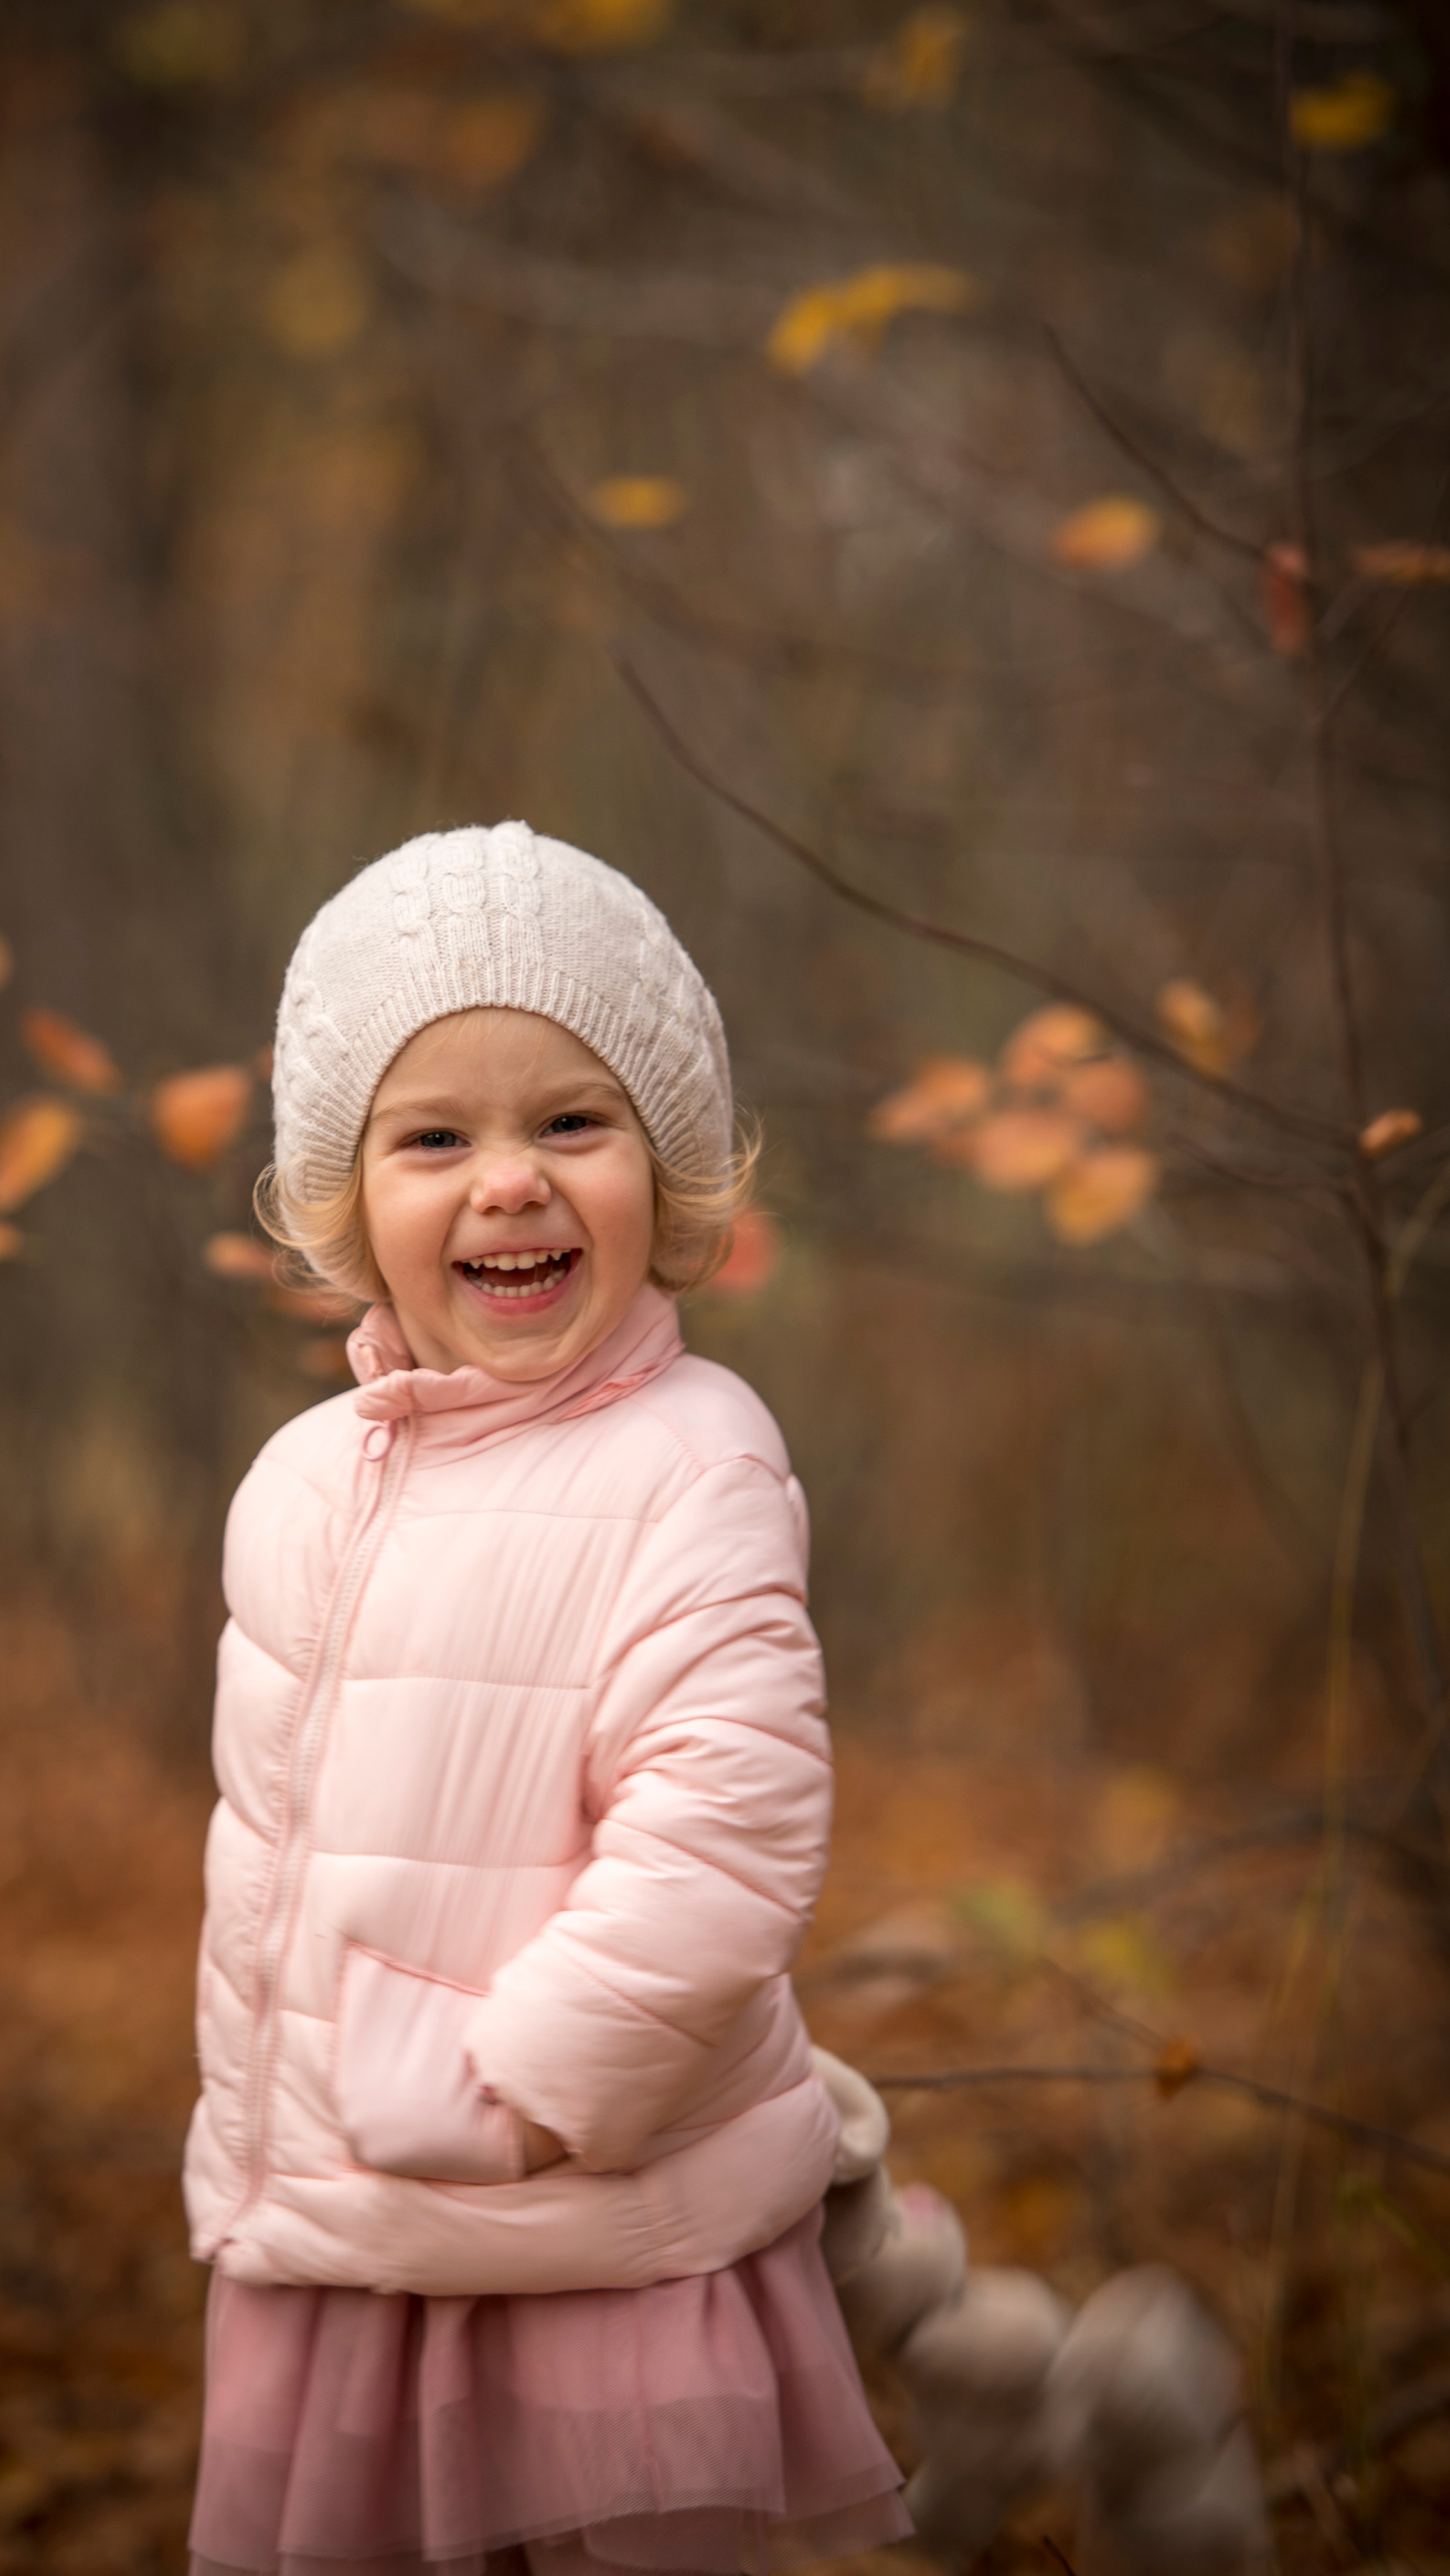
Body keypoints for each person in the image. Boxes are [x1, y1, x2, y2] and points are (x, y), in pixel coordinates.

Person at [183, 822, 908, 2576]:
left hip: (588, 2233)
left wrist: (512, 2090)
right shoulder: (297, 1481)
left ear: (665, 1174)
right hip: (349, 2250)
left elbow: (719, 1840)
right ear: (347, 1203)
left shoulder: (692, 1465)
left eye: (569, 1123)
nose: (506, 1181)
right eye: (434, 1138)